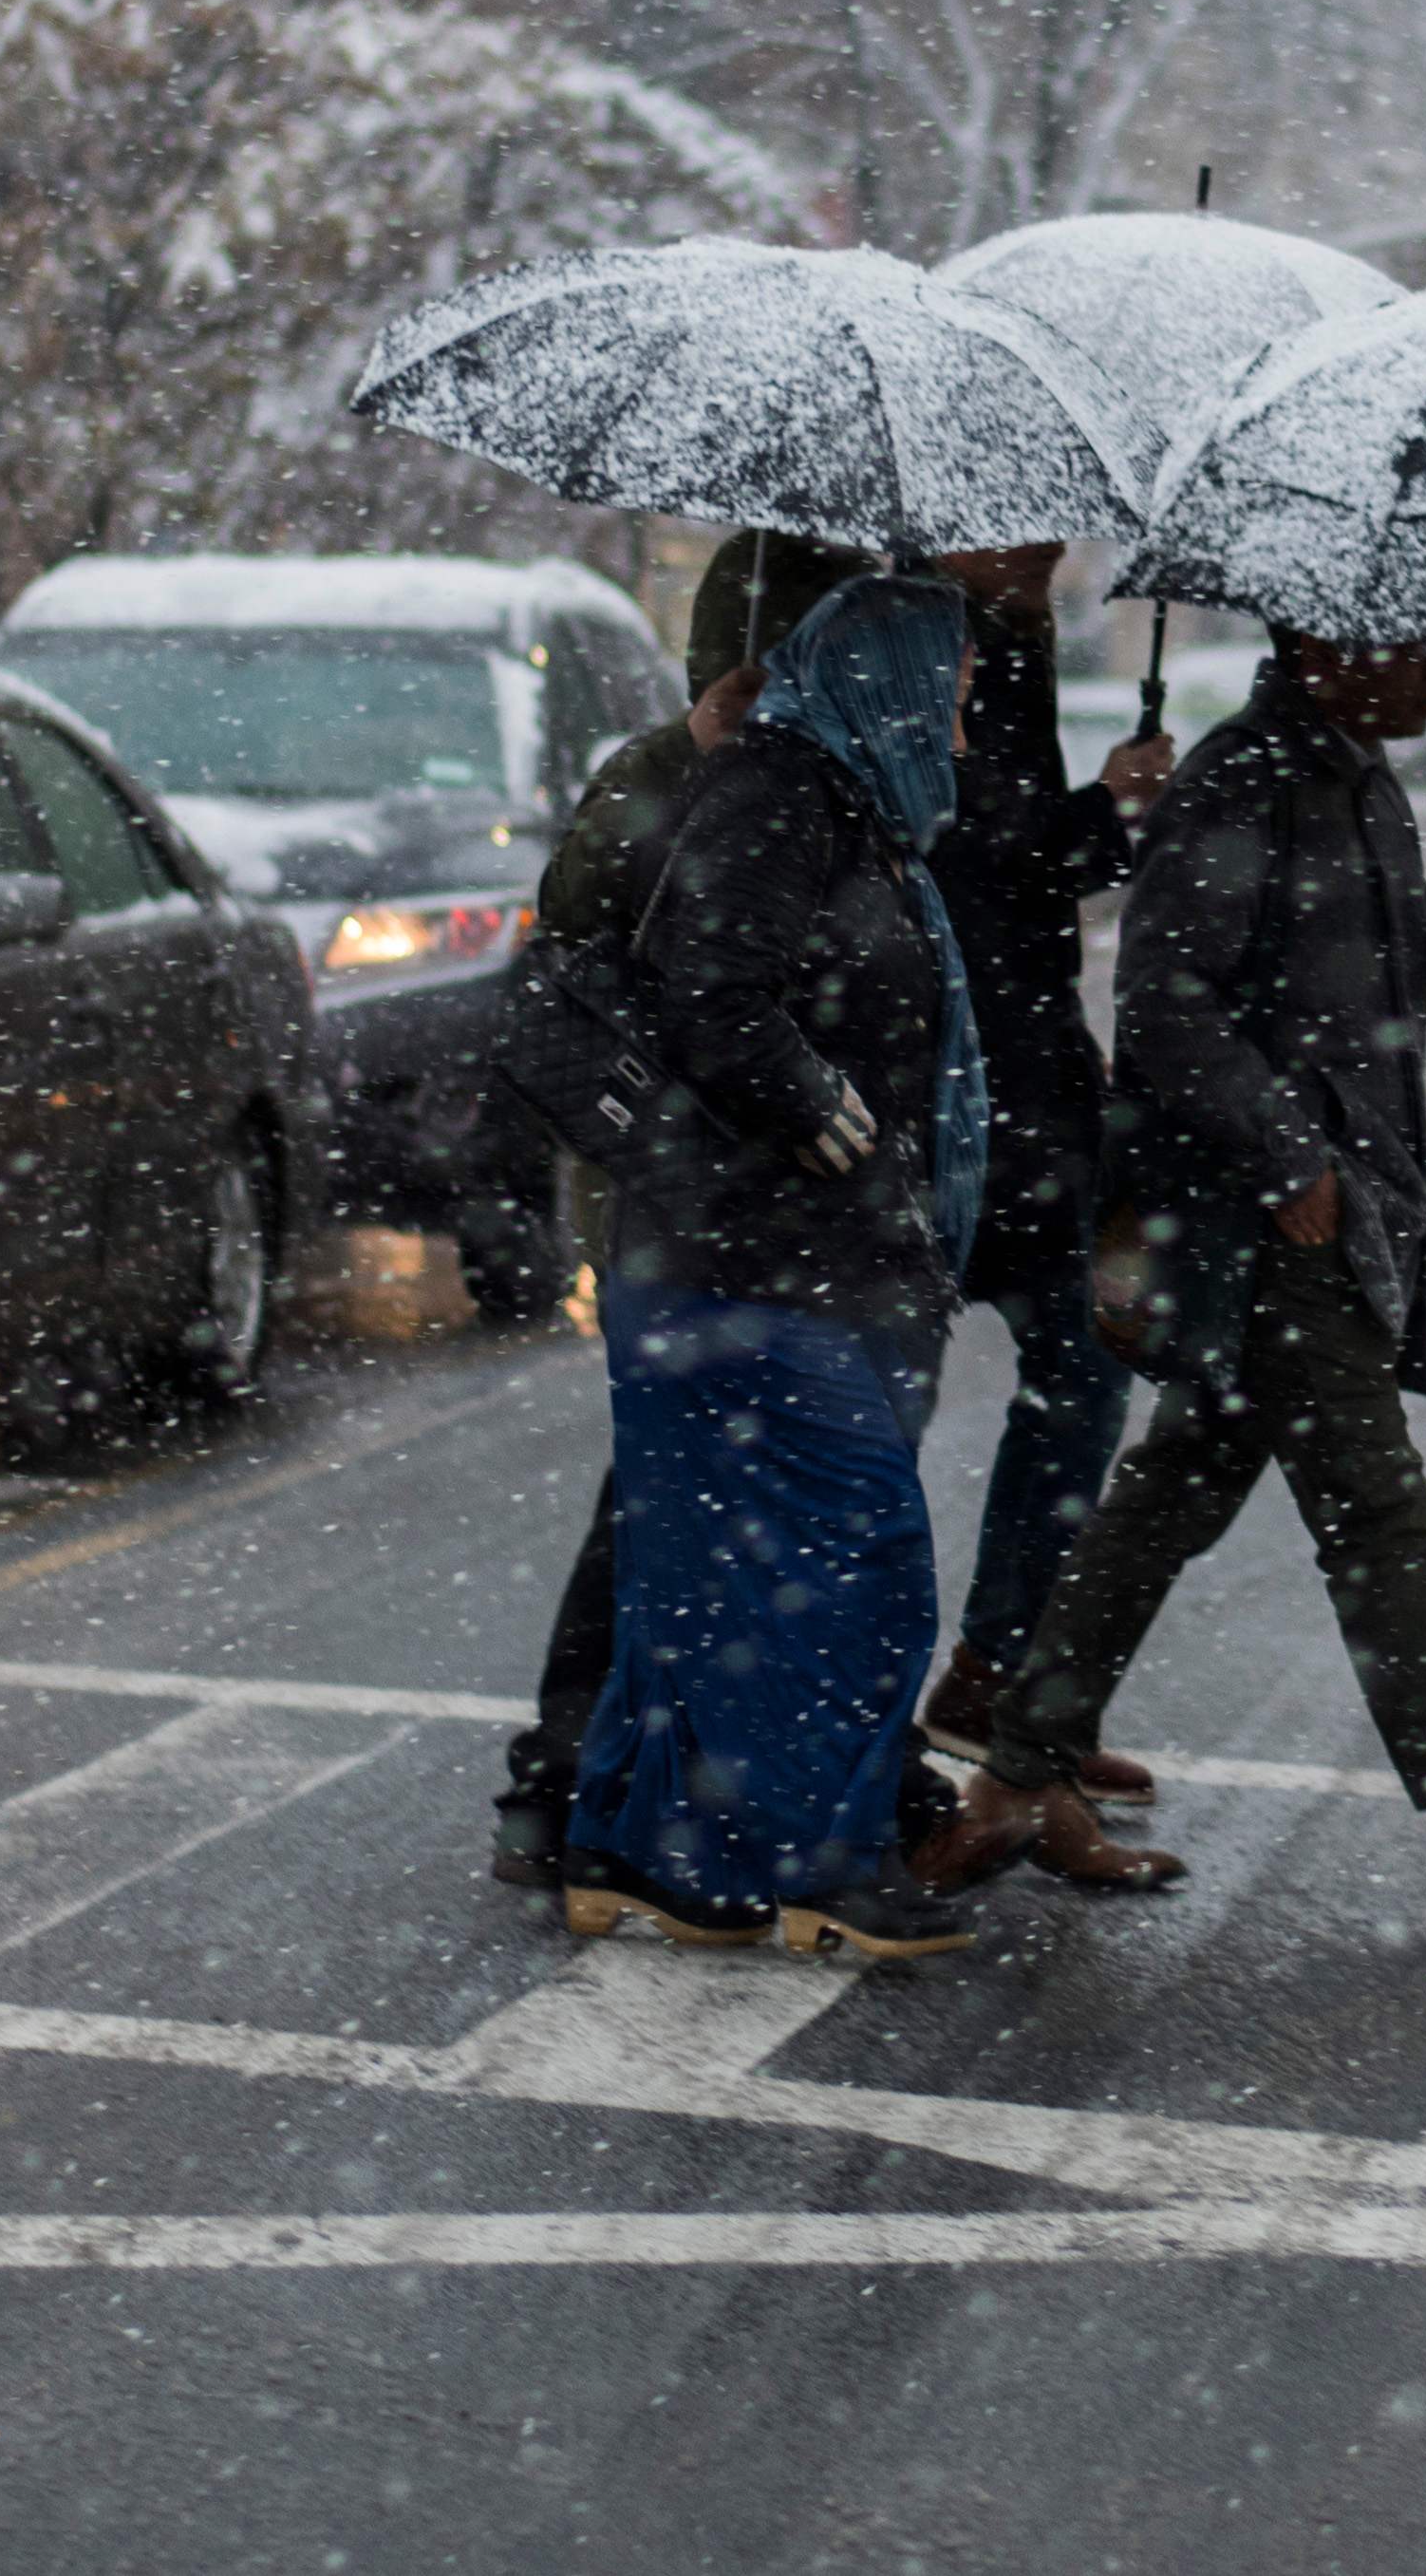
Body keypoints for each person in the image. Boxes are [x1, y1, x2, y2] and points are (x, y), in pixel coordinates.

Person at [926, 625, 1426, 1923]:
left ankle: (1016, 1775)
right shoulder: (1240, 782)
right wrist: (1282, 1155)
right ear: (1329, 642)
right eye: (1418, 642)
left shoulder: (1360, 783)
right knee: (1375, 1516)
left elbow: (1378, 1004)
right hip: (1266, 1222)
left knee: (1172, 1488)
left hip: (1330, 1204)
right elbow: (1162, 1005)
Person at [562, 570, 997, 1960]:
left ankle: (645, 1851)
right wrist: (813, 1100)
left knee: (705, 1579)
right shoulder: (778, 795)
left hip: (743, 1255)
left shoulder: (855, 809)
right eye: (954, 688)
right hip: (744, 1256)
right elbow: (712, 994)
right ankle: (824, 1858)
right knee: (861, 1563)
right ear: (884, 683)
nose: (969, 717)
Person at [485, 529, 855, 1889]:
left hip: (772, 1184)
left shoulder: (823, 789)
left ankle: (688, 1764)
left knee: (738, 1481)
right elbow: (578, 961)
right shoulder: (659, 779)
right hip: (677, 1188)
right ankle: (572, 1768)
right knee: (670, 1480)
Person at [910, 543, 1177, 1796]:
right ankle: (887, 1729)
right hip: (935, 1090)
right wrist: (1096, 814)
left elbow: (1022, 876)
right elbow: (959, 861)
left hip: (1028, 1077)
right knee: (875, 1415)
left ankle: (1002, 1684)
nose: (1051, 549)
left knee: (1081, 1370)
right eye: (1021, 525)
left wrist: (1107, 817)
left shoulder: (1010, 640)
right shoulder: (912, 642)